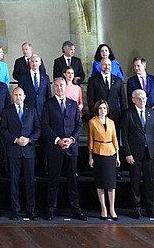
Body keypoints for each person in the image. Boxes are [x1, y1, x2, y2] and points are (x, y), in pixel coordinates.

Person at [42, 77, 86, 221]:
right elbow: (45, 125)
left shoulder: (73, 104)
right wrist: (58, 140)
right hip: (55, 148)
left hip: (71, 147)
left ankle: (75, 208)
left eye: (61, 85)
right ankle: (50, 208)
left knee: (72, 180)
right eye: (56, 86)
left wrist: (72, 139)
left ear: (65, 87)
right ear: (53, 87)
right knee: (53, 179)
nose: (59, 88)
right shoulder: (48, 104)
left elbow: (79, 125)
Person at [0, 87, 40, 220]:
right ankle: (15, 210)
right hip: (14, 150)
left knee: (30, 181)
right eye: (16, 95)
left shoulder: (32, 110)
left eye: (20, 95)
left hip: (28, 151)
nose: (18, 97)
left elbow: (38, 129)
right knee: (14, 181)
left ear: (25, 96)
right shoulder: (7, 110)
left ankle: (31, 209)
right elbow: (3, 130)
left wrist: (29, 140)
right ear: (12, 97)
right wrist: (15, 139)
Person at [121, 89, 154, 219]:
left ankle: (150, 208)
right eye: (139, 99)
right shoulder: (128, 114)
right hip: (134, 153)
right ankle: (136, 209)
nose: (142, 101)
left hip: (149, 152)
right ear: (133, 100)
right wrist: (127, 153)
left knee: (149, 182)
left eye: (144, 98)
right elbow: (125, 136)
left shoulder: (151, 113)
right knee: (135, 182)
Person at [127, 56, 154, 180]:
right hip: (139, 116)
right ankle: (146, 173)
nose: (136, 68)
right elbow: (129, 99)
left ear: (144, 66)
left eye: (138, 66)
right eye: (134, 66)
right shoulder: (131, 81)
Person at [87, 100, 120, 220]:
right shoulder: (92, 122)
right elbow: (90, 140)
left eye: (105, 108)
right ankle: (103, 207)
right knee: (100, 182)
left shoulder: (111, 122)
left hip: (111, 152)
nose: (103, 110)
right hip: (98, 152)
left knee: (111, 183)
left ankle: (112, 207)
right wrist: (90, 157)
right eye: (101, 108)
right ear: (97, 109)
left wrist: (118, 156)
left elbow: (115, 139)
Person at [86, 58, 126, 132]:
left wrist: (123, 116)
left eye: (109, 65)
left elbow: (123, 99)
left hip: (115, 116)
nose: (107, 67)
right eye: (104, 64)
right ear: (100, 66)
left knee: (115, 139)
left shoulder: (118, 81)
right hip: (99, 115)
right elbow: (90, 99)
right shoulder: (93, 80)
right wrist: (93, 115)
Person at [18, 54, 51, 119]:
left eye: (36, 61)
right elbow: (20, 94)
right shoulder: (23, 77)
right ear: (29, 63)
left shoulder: (45, 77)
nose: (34, 63)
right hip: (28, 109)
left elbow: (48, 95)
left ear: (40, 63)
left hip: (42, 110)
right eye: (32, 61)